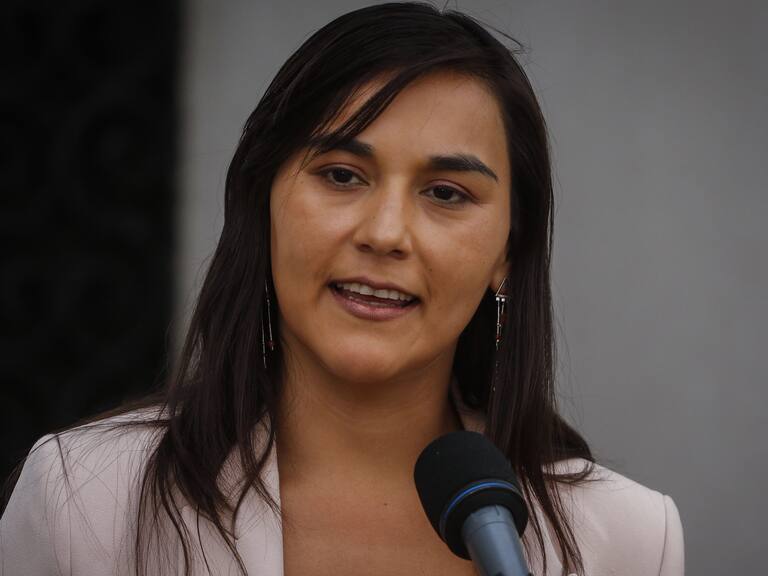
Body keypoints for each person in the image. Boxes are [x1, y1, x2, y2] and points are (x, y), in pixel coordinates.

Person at [0, 3, 684, 575]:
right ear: (262, 201)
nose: (386, 233)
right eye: (341, 175)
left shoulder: (624, 537)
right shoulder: (87, 502)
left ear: (509, 249)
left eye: (446, 193)